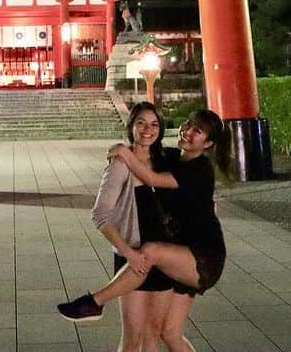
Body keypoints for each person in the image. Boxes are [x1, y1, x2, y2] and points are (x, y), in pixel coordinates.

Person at [58, 109, 231, 352]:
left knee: (149, 252)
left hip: (200, 257)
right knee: (168, 334)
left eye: (198, 131)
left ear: (209, 143)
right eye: (189, 124)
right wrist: (121, 150)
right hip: (176, 252)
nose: (188, 131)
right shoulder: (170, 157)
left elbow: (151, 178)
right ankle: (93, 304)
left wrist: (124, 153)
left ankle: (93, 302)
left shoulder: (200, 168)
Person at [90, 102, 174, 351]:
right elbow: (100, 215)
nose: (148, 129)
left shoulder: (167, 161)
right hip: (134, 258)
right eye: (141, 123)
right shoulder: (119, 165)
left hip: (165, 256)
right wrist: (129, 254)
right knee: (132, 337)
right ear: (131, 127)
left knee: (153, 333)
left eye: (154, 124)